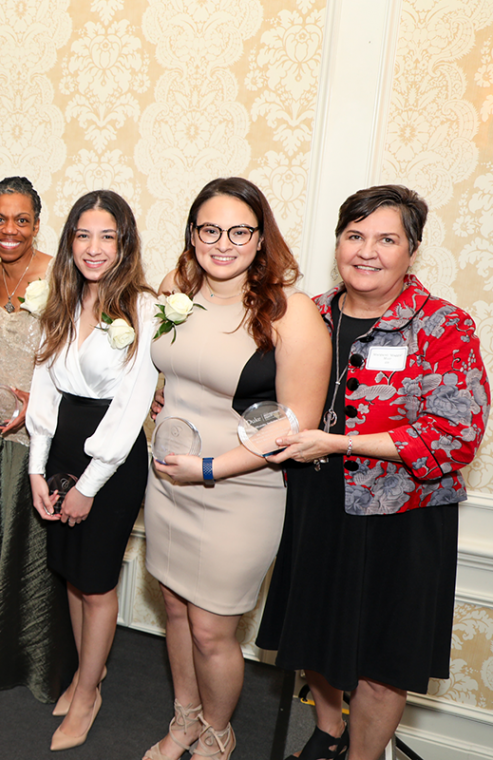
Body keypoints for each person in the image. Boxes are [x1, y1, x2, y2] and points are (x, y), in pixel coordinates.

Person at [257, 185, 489, 760]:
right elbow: (259, 390)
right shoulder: (307, 314)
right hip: (316, 500)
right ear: (337, 242)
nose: (367, 251)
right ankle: (328, 731)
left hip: (402, 519)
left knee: (387, 656)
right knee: (314, 628)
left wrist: (337, 441)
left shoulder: (443, 327)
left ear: (412, 250)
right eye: (354, 236)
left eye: (387, 239)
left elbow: (456, 436)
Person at [141, 177, 329, 760]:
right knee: (173, 606)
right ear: (193, 234)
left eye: (240, 230)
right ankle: (184, 719)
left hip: (240, 489)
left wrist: (210, 467)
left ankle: (219, 734)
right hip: (169, 477)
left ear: (261, 236)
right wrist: (159, 397)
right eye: (210, 229)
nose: (223, 243)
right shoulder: (178, 288)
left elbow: (293, 428)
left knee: (211, 629)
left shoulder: (291, 313)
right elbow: (178, 367)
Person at [26, 189, 159, 751]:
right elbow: (42, 387)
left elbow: (132, 406)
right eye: (83, 234)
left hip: (112, 456)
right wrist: (36, 469)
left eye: (107, 235)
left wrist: (89, 484)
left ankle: (87, 693)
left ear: (124, 243)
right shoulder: (57, 298)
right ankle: (89, 671)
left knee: (98, 582)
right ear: (69, 241)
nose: (94, 247)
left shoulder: (145, 308)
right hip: (59, 449)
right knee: (71, 575)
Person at [0, 177, 72, 703]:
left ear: (36, 223)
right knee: (5, 539)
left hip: (46, 432)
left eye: (21, 219)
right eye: (0, 219)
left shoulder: (61, 276)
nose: (10, 230)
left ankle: (37, 662)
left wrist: (34, 402)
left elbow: (75, 362)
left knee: (39, 550)